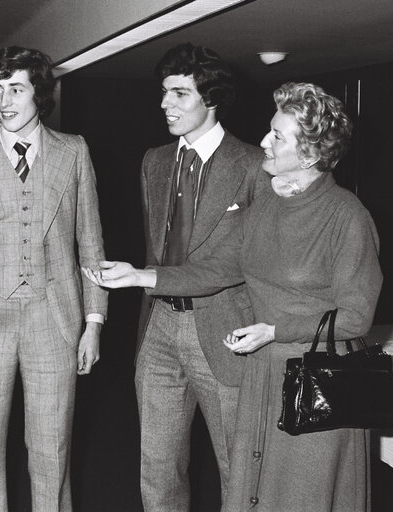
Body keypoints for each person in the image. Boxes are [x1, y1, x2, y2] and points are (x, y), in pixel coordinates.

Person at [84, 82, 383, 511]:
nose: (263, 141)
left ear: (311, 154)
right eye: (270, 130)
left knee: (303, 498)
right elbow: (219, 268)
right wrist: (140, 276)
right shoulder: (264, 207)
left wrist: (275, 330)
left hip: (319, 380)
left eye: (278, 136)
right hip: (264, 374)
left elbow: (356, 318)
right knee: (253, 495)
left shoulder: (347, 217)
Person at [0, 46, 108, 512]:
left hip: (54, 321)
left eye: (15, 88)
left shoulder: (74, 152)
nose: (3, 101)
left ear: (40, 94)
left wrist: (94, 322)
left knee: (52, 449)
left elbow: (90, 244)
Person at [130, 43, 266, 511]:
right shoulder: (155, 161)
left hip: (223, 331)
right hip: (159, 331)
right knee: (158, 469)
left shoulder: (252, 166)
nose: (165, 103)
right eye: (164, 92)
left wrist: (144, 277)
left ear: (211, 99)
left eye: (180, 94)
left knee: (238, 469)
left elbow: (238, 263)